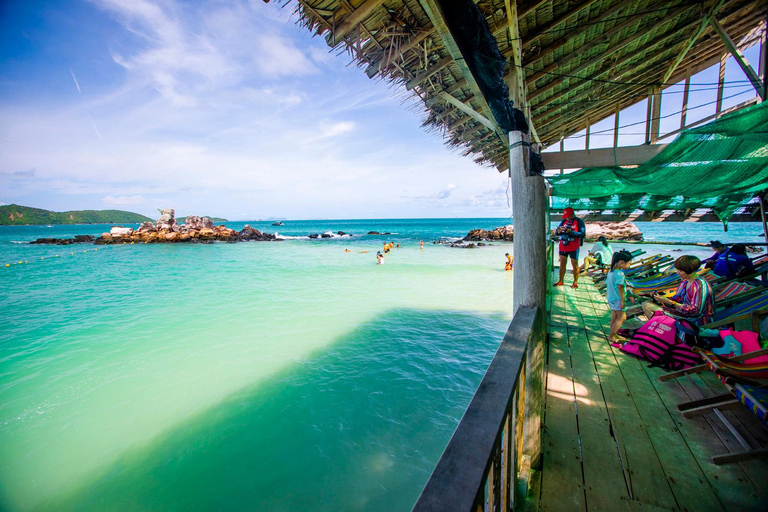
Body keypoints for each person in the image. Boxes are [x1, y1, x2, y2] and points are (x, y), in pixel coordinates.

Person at [642, 255, 715, 325]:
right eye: (677, 270)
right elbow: (677, 298)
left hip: (696, 319)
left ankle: (661, 332)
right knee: (647, 303)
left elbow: (696, 311)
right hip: (683, 313)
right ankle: (660, 330)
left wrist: (671, 302)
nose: (677, 272)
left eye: (680, 271)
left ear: (689, 270)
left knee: (648, 306)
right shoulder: (685, 282)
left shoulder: (699, 285)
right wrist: (660, 299)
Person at [553, 207, 586, 288]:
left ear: (572, 214)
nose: (567, 218)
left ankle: (575, 282)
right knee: (562, 263)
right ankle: (561, 281)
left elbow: (582, 234)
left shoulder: (579, 221)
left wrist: (571, 232)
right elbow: (557, 232)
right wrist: (559, 231)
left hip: (574, 246)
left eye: (568, 216)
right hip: (563, 245)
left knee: (574, 264)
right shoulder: (564, 221)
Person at [606, 250, 633, 342]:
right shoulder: (620, 274)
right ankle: (612, 336)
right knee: (622, 317)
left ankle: (614, 333)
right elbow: (620, 287)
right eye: (629, 263)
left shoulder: (611, 272)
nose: (629, 265)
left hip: (611, 297)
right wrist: (623, 300)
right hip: (618, 298)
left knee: (615, 315)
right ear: (622, 262)